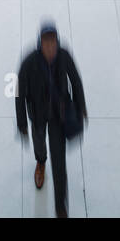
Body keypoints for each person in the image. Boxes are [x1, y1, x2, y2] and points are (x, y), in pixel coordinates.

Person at [15, 23, 87, 219]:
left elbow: (76, 80)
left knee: (59, 162)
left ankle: (60, 207)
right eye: (46, 42)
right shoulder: (29, 61)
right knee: (40, 145)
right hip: (37, 115)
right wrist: (22, 122)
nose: (50, 47)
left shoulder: (64, 56)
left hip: (58, 116)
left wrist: (81, 107)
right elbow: (19, 92)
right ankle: (40, 162)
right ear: (40, 43)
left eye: (53, 42)